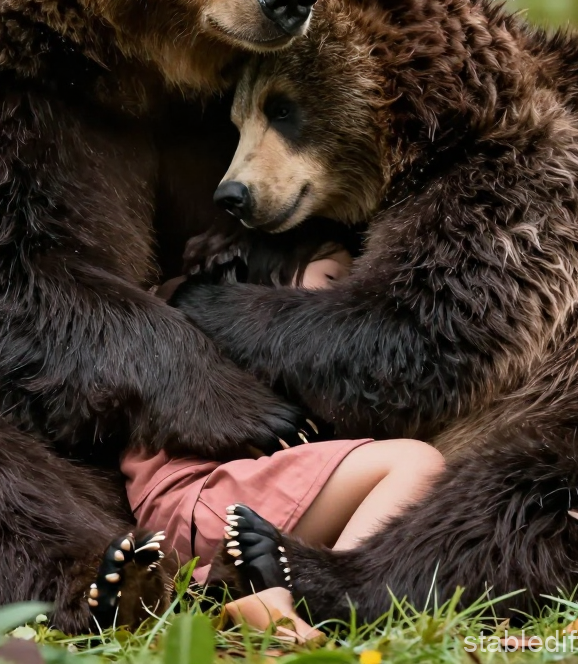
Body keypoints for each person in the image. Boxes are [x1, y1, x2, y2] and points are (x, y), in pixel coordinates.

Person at [117, 250, 445, 642]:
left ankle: (252, 603)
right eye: (333, 278)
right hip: (205, 498)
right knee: (415, 462)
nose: (340, 298)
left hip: (189, 519)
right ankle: (339, 597)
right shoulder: (189, 309)